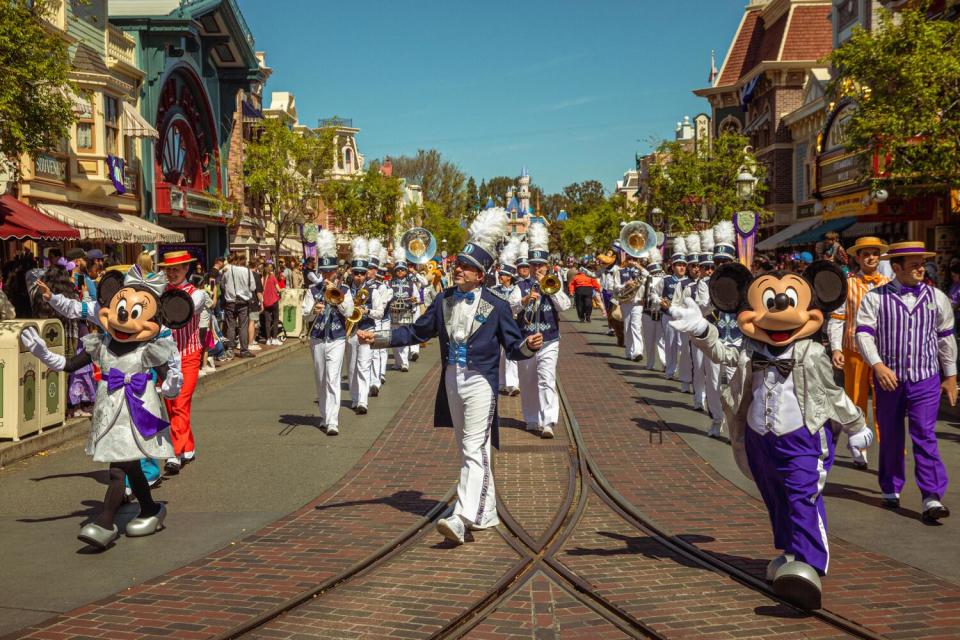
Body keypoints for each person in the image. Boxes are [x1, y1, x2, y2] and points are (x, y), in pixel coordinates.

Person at [670, 260, 871, 610]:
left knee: (802, 495)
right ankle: (791, 552)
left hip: (803, 436)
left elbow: (832, 394)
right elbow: (723, 354)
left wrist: (856, 425)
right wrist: (701, 329)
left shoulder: (812, 352)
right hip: (761, 438)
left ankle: (810, 564)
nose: (778, 313)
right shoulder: (752, 350)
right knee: (775, 496)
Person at [357, 207, 542, 545]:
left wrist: (529, 346)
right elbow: (416, 331)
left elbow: (514, 348)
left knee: (473, 446)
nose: (458, 270)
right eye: (458, 265)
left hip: (481, 382)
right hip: (452, 380)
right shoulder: (443, 300)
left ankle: (462, 517)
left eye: (466, 267)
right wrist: (379, 339)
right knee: (469, 448)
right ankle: (485, 512)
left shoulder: (496, 305)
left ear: (480, 275)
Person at [20, 266, 189, 550]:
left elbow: (170, 385)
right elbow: (68, 365)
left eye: (136, 313)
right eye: (119, 307)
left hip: (136, 415)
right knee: (131, 468)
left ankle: (105, 521)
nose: (123, 316)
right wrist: (42, 353)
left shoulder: (147, 349)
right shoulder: (102, 343)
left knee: (118, 470)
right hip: (110, 414)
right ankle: (150, 509)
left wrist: (172, 380)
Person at [855, 241, 956, 521]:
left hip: (925, 378)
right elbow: (863, 334)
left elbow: (945, 338)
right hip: (890, 381)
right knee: (890, 434)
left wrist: (951, 376)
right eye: (914, 265)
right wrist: (877, 365)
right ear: (897, 268)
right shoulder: (875, 298)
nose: (920, 268)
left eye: (922, 263)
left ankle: (932, 496)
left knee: (924, 434)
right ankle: (890, 485)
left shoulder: (937, 298)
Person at [827, 237, 890, 469]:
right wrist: (835, 348)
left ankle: (888, 450)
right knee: (856, 401)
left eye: (875, 253)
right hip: (854, 351)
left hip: (884, 354)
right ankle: (858, 445)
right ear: (858, 257)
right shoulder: (848, 283)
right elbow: (837, 318)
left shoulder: (889, 283)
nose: (871, 257)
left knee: (885, 403)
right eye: (866, 254)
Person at [518, 222, 571, 439]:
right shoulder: (521, 285)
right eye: (533, 265)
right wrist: (524, 299)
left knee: (546, 379)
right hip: (526, 340)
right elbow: (510, 308)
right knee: (528, 381)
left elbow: (565, 306)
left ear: (547, 266)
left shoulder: (553, 283)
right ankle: (531, 418)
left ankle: (548, 421)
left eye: (541, 265)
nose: (537, 269)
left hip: (550, 340)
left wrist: (550, 288)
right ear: (528, 266)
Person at [156, 250, 208, 474]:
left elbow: (184, 311)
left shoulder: (197, 294)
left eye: (176, 269)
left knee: (179, 402)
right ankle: (188, 446)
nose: (172, 273)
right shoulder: (161, 292)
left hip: (188, 356)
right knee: (171, 405)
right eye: (169, 269)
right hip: (166, 358)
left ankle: (174, 453)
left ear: (186, 269)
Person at [302, 231, 354, 436]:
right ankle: (324, 416)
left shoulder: (346, 290)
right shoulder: (312, 290)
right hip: (316, 338)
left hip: (337, 337)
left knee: (333, 378)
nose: (326, 276)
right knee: (321, 378)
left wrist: (338, 296)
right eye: (323, 272)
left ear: (336, 272)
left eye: (329, 272)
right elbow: (304, 315)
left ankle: (333, 420)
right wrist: (312, 310)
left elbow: (349, 312)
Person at [491, 237, 524, 396]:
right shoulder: (494, 289)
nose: (500, 277)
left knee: (511, 354)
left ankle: (513, 384)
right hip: (497, 326)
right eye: (500, 274)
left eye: (502, 275)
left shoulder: (516, 290)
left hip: (513, 324)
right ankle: (502, 383)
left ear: (509, 277)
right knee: (500, 355)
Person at [345, 238, 374, 414]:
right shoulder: (346, 289)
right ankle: (355, 398)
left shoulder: (373, 289)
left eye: (362, 273)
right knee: (351, 367)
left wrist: (367, 311)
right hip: (350, 331)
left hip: (366, 330)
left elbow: (378, 311)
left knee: (363, 365)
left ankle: (363, 401)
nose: (359, 276)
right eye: (356, 273)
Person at [656, 237, 689, 379]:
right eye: (678, 265)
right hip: (668, 316)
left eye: (683, 265)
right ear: (673, 266)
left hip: (684, 317)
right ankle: (670, 370)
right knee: (670, 344)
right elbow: (653, 294)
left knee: (683, 346)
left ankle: (684, 372)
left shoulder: (690, 281)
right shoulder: (666, 280)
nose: (681, 268)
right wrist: (660, 301)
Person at [221, 254, 256, 359]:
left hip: (230, 302)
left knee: (231, 327)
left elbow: (222, 285)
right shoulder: (247, 271)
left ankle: (230, 350)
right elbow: (253, 287)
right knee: (243, 326)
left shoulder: (227, 271)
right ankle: (244, 350)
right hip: (243, 302)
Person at [389, 257, 419, 372]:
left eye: (402, 270)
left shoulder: (412, 284)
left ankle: (405, 362)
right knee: (395, 337)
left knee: (404, 336)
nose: (400, 272)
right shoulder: (390, 283)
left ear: (406, 271)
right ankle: (398, 362)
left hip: (406, 312)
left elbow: (416, 298)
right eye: (398, 270)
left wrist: (413, 301)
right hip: (394, 312)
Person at [261, 263, 281, 346]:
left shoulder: (262, 278)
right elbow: (278, 289)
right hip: (274, 301)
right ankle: (275, 338)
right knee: (275, 320)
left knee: (267, 321)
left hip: (265, 302)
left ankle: (268, 339)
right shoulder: (273, 277)